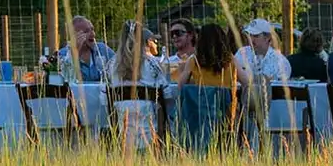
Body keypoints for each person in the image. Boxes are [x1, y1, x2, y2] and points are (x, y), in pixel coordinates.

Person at [174, 23, 241, 152]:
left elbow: (180, 87)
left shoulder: (194, 60)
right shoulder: (231, 60)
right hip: (226, 113)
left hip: (200, 114)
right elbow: (246, 81)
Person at [108, 21, 160, 149]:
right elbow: (166, 94)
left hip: (122, 132)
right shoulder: (152, 64)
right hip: (149, 132)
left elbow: (105, 99)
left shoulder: (112, 65)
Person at [54, 15, 115, 83]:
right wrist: (74, 53)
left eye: (92, 29)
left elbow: (118, 65)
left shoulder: (102, 49)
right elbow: (63, 80)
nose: (93, 34)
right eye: (86, 31)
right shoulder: (63, 54)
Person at [237, 19, 292, 87]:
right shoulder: (241, 53)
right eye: (250, 35)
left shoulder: (281, 62)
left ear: (268, 37)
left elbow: (279, 91)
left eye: (256, 36)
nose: (251, 39)